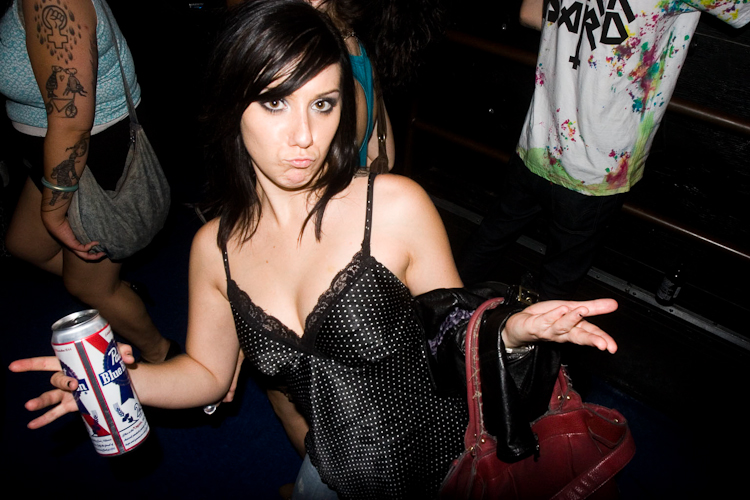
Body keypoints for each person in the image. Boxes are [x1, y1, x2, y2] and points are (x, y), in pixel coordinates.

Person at [10, 1, 619, 498]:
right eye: (275, 101)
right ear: (232, 107)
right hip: (333, 475)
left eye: (323, 103)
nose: (304, 135)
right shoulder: (213, 250)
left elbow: (454, 334)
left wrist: (512, 332)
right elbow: (208, 375)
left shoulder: (394, 207)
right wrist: (120, 383)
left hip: (446, 471)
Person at [457, 0, 750, 300]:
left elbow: (529, 13)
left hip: (538, 143)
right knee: (558, 283)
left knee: (490, 238)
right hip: (596, 168)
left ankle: (440, 312)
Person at [0, 0, 177, 362]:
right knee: (25, 245)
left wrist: (53, 213)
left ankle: (163, 354)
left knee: (88, 287)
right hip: (56, 157)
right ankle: (115, 286)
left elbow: (72, 122)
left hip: (94, 157)